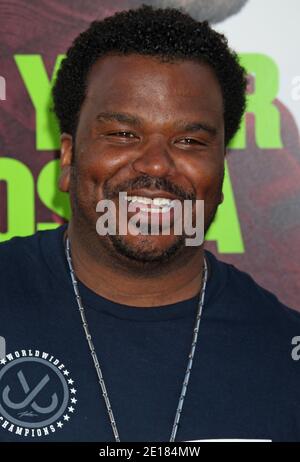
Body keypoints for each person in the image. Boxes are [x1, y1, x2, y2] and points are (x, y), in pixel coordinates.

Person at [0, 5, 299, 443]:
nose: (156, 164)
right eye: (122, 134)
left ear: (221, 169)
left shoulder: (284, 354)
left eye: (189, 141)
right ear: (67, 157)